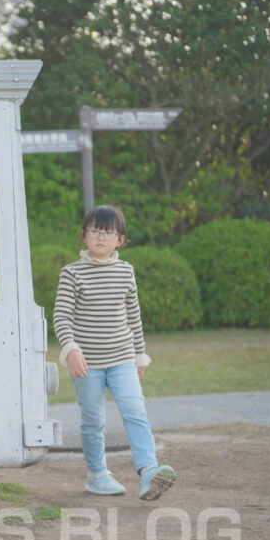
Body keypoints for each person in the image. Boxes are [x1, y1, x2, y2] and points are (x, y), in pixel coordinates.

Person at [53, 205, 176, 501]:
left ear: (120, 239)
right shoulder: (71, 273)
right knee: (93, 420)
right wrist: (71, 350)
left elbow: (134, 316)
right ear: (83, 235)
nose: (100, 237)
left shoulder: (125, 271)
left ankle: (149, 472)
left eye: (108, 232)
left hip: (122, 358)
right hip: (87, 364)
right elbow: (61, 317)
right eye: (94, 230)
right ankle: (97, 475)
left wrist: (139, 355)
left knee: (136, 412)